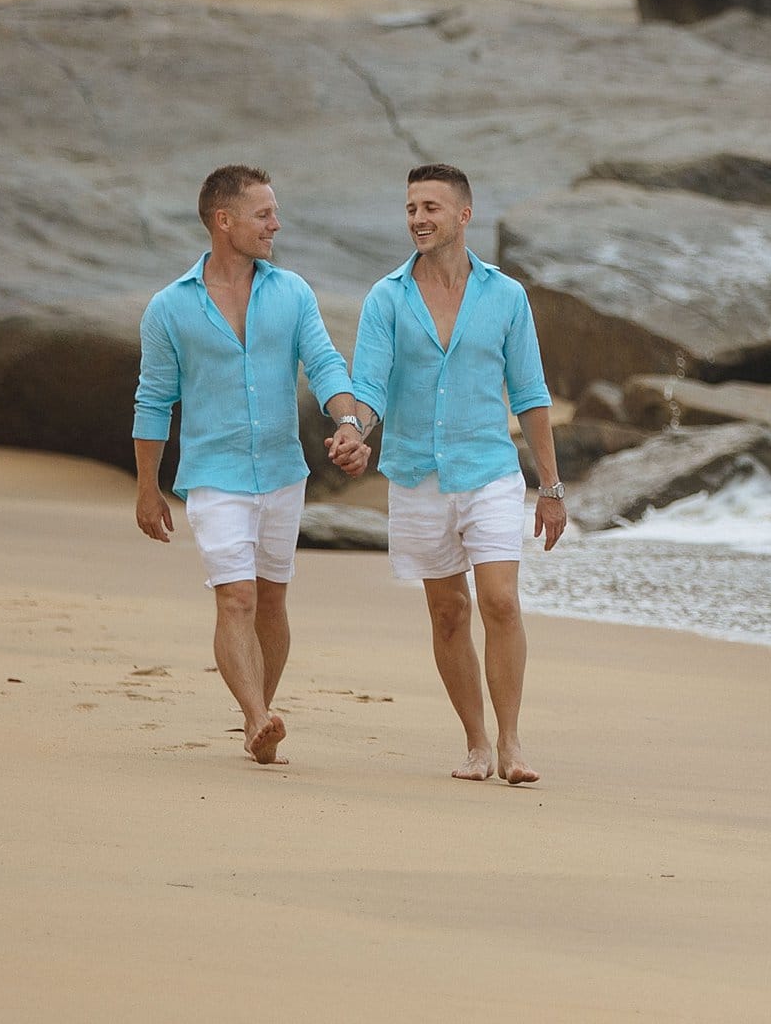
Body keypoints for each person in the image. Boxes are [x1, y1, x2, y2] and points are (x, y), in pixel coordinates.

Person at [130, 164, 371, 766]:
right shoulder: (169, 308)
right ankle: (257, 717)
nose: (275, 224)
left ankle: (261, 715)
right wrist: (147, 487)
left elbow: (324, 364)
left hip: (284, 472)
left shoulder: (291, 292)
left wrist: (349, 421)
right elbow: (154, 401)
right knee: (234, 597)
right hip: (213, 476)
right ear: (224, 221)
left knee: (270, 600)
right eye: (263, 214)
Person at [338, 161, 565, 783]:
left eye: (431, 208)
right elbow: (369, 383)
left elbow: (531, 394)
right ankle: (476, 743)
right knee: (447, 614)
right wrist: (356, 432)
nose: (419, 219)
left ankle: (513, 743)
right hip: (415, 474)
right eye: (412, 208)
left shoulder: (506, 296)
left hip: (489, 468)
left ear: (464, 215)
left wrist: (551, 488)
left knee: (499, 601)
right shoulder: (387, 297)